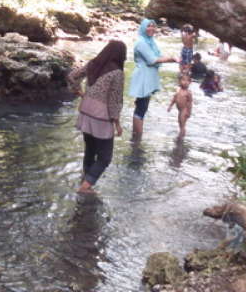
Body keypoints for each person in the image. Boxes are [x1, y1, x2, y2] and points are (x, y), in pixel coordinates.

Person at [67, 40, 127, 194]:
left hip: (85, 112)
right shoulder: (117, 73)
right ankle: (85, 187)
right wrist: (117, 123)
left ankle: (86, 178)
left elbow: (72, 76)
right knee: (105, 157)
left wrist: (79, 93)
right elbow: (114, 101)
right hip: (101, 117)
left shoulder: (93, 63)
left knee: (90, 149)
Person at [128, 18, 177, 139]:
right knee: (141, 107)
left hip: (147, 78)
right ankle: (137, 137)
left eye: (153, 26)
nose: (151, 28)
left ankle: (136, 135)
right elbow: (152, 60)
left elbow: (159, 56)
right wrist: (172, 59)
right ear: (143, 28)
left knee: (142, 107)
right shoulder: (141, 43)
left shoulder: (150, 42)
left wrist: (172, 58)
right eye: (148, 26)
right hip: (143, 78)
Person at [168, 74, 193, 140]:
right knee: (179, 122)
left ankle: (181, 136)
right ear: (179, 81)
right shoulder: (178, 90)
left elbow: (190, 103)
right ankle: (181, 134)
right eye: (183, 80)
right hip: (180, 110)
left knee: (182, 124)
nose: (185, 82)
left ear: (190, 82)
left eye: (188, 80)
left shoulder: (188, 93)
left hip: (184, 110)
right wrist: (170, 106)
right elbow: (174, 98)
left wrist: (189, 112)